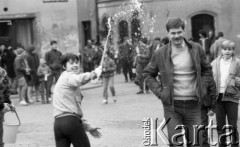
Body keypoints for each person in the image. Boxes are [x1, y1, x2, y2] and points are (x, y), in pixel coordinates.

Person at [143, 17, 215, 147]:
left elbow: (207, 70)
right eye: (173, 33)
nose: (176, 36)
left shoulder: (196, 49)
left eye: (179, 32)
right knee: (176, 143)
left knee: (198, 142)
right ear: (168, 34)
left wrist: (202, 87)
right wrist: (161, 93)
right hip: (172, 107)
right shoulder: (160, 53)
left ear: (184, 31)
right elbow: (148, 74)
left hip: (195, 106)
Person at [53, 53, 102, 147]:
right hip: (71, 123)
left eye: (76, 62)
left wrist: (88, 126)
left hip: (58, 124)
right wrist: (92, 74)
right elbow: (78, 79)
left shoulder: (61, 80)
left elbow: (73, 111)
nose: (75, 65)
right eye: (71, 63)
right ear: (64, 66)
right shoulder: (69, 76)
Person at [211, 40, 240, 147]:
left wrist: (235, 82)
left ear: (233, 51)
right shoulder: (215, 63)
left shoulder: (237, 62)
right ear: (221, 50)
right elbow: (209, 79)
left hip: (232, 97)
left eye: (230, 49)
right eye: (225, 49)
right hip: (218, 98)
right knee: (220, 126)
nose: (227, 51)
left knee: (233, 126)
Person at [0, 67, 15, 147]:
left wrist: (7, 102)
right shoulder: (2, 72)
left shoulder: (2, 72)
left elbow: (6, 89)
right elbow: (6, 90)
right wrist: (6, 102)